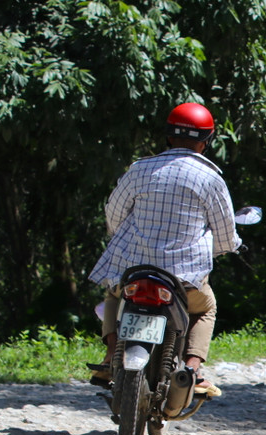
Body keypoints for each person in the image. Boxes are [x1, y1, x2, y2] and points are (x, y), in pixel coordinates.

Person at [87, 101, 241, 396]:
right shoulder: (211, 179)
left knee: (112, 294)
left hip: (133, 274)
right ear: (206, 141)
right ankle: (193, 370)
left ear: (168, 136)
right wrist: (226, 247)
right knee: (206, 308)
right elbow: (224, 236)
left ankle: (110, 356)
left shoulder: (139, 169)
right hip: (183, 282)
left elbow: (114, 217)